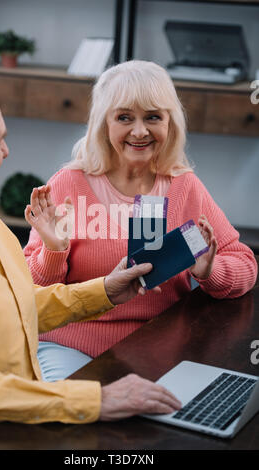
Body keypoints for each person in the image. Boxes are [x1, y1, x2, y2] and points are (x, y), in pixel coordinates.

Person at [0, 77, 183, 431]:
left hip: (25, 422)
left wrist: (105, 291)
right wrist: (96, 399)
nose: (6, 152)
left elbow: (19, 308)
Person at [24, 60, 258, 382]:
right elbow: (30, 291)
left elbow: (245, 264)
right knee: (75, 416)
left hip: (159, 348)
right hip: (71, 347)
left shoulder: (184, 186)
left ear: (169, 123)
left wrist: (209, 271)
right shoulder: (68, 184)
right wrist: (52, 250)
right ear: (104, 123)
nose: (139, 131)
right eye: (124, 117)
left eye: (152, 117)